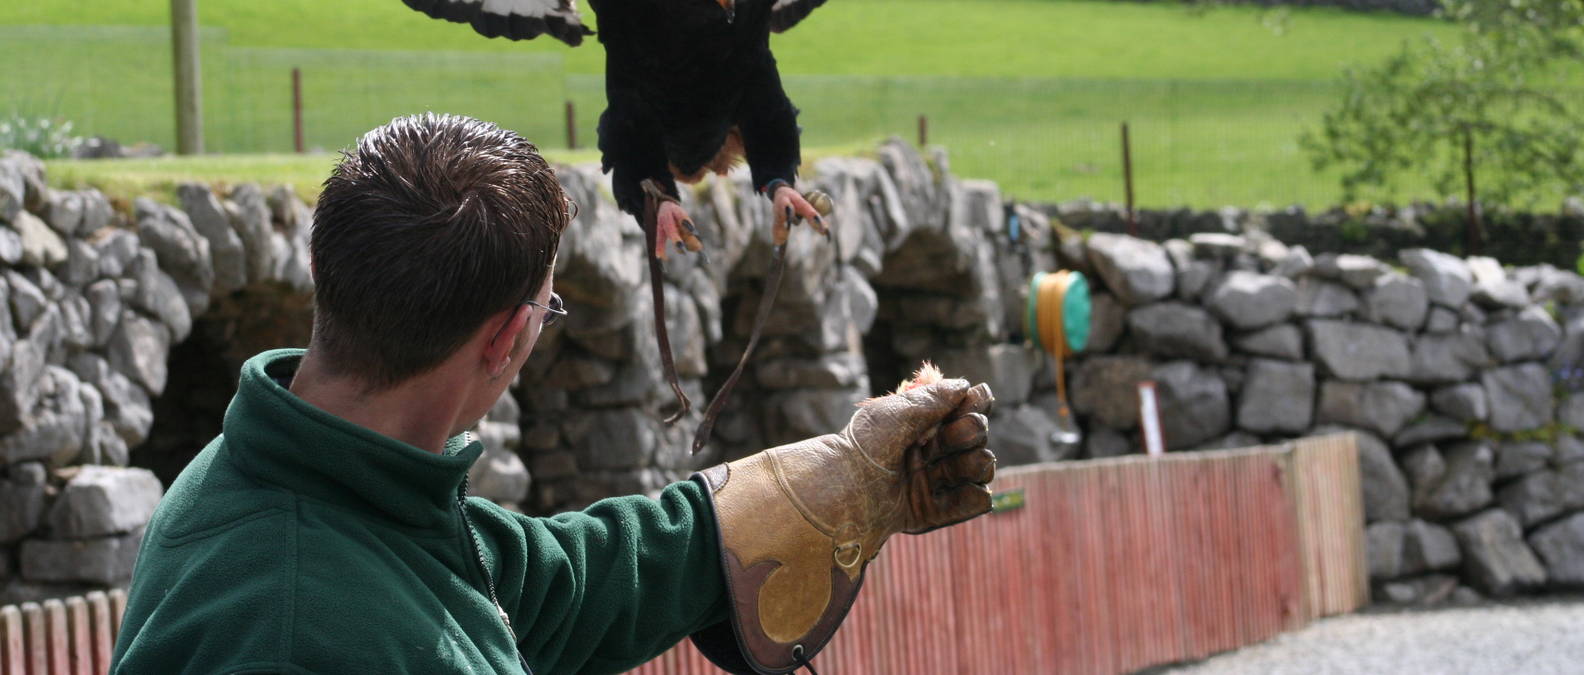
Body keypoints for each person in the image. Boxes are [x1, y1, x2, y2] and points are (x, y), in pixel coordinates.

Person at [109, 112, 996, 675]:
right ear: (506, 338)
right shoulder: (288, 632)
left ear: (322, 269)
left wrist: (846, 479)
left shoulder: (327, 479)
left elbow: (564, 585)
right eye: (547, 309)